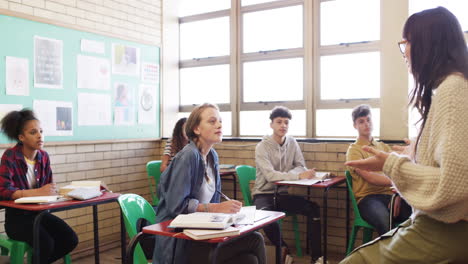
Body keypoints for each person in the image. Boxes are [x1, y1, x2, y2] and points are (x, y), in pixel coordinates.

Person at [341, 7, 468, 263]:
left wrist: (391, 164)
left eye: (407, 42)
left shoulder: (453, 91)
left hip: (446, 228)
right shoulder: (450, 89)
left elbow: (457, 184)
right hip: (390, 205)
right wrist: (404, 160)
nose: (405, 51)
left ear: (427, 44)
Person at [153, 103, 266, 264]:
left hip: (202, 233)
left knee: (251, 252)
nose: (219, 125)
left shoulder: (212, 155)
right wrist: (216, 208)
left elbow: (213, 201)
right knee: (253, 243)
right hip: (181, 240)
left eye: (220, 121)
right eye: (212, 121)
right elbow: (176, 206)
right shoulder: (188, 157)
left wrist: (227, 216)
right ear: (196, 129)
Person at [0, 109, 78, 264]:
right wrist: (36, 192)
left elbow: (48, 189)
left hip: (40, 215)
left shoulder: (43, 156)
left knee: (70, 239)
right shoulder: (10, 156)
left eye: (41, 131)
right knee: (46, 244)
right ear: (21, 137)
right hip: (17, 220)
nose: (40, 135)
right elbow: (3, 191)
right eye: (33, 132)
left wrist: (60, 194)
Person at [252, 106, 322, 262]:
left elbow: (300, 165)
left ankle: (317, 257)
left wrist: (297, 174)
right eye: (279, 122)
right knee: (266, 217)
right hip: (263, 194)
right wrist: (297, 176)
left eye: (286, 122)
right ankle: (285, 253)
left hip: (282, 194)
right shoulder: (262, 147)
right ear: (271, 125)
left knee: (314, 208)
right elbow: (270, 176)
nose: (283, 125)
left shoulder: (292, 142)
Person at [346, 104, 411, 235]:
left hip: (389, 195)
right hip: (367, 199)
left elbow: (398, 169)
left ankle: (405, 253)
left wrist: (397, 193)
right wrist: (396, 182)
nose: (366, 124)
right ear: (355, 126)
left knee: (416, 212)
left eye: (368, 120)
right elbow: (371, 178)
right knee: (384, 220)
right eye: (361, 121)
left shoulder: (383, 147)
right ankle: (389, 255)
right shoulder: (354, 151)